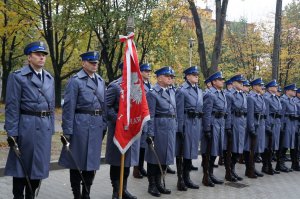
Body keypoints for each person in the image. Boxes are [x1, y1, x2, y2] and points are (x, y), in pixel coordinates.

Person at [5, 41, 55, 199]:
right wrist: (12, 133)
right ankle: (18, 196)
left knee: (38, 168)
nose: (42, 57)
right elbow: (12, 106)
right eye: (38, 54)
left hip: (44, 128)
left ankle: (31, 196)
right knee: (21, 167)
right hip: (26, 126)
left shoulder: (49, 78)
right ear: (29, 57)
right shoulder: (18, 76)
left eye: (44, 55)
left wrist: (51, 128)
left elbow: (52, 106)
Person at [58, 51, 106, 199]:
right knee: (76, 163)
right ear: (83, 63)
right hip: (80, 125)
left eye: (96, 62)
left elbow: (104, 106)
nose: (94, 65)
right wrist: (67, 130)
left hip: (97, 125)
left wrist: (104, 125)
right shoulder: (76, 80)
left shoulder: (100, 80)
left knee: (91, 163)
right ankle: (77, 195)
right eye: (91, 62)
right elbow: (68, 107)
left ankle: (87, 192)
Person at [105, 62, 137, 199]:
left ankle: (123, 190)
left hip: (131, 130)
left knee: (127, 162)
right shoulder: (115, 86)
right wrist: (119, 119)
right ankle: (116, 190)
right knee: (117, 161)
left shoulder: (136, 87)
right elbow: (106, 107)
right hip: (118, 130)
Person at [145, 66, 176, 197]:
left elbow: (175, 112)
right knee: (154, 158)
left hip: (170, 127)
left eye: (172, 77)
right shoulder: (152, 93)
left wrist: (177, 128)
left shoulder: (172, 92)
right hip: (159, 128)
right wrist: (150, 133)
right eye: (168, 76)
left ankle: (159, 183)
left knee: (165, 157)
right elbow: (150, 116)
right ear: (159, 78)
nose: (170, 78)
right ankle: (152, 185)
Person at [175, 66, 203, 191]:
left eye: (197, 74)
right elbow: (179, 112)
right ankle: (180, 179)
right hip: (186, 123)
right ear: (187, 76)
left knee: (190, 152)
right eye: (193, 74)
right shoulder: (182, 91)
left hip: (195, 124)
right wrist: (180, 128)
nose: (196, 76)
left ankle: (187, 178)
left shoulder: (199, 90)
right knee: (182, 152)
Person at [201, 71, 226, 187]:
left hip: (220, 124)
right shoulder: (210, 94)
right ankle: (206, 176)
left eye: (222, 79)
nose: (222, 81)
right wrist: (207, 129)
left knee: (216, 151)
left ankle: (211, 174)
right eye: (220, 79)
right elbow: (206, 113)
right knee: (209, 151)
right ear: (214, 82)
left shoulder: (221, 93)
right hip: (212, 124)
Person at [224, 74, 247, 182]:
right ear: (233, 83)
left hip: (241, 123)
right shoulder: (229, 95)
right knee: (231, 149)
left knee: (238, 149)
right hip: (233, 123)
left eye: (242, 82)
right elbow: (228, 112)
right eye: (239, 82)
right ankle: (228, 171)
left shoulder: (243, 94)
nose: (242, 84)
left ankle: (232, 170)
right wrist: (228, 126)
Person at [133, 63, 152, 179]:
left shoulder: (149, 85)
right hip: (140, 119)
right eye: (146, 71)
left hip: (147, 117)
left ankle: (141, 167)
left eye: (149, 71)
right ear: (140, 72)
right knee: (139, 145)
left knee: (144, 145)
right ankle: (136, 169)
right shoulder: (138, 84)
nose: (148, 73)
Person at [243, 78, 266, 179]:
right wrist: (251, 128)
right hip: (254, 125)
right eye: (260, 85)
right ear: (255, 86)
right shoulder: (250, 98)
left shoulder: (260, 97)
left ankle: (252, 167)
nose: (262, 87)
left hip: (260, 124)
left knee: (256, 147)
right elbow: (250, 115)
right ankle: (249, 168)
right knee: (250, 148)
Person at [262, 80, 281, 175]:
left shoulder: (276, 97)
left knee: (273, 146)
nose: (277, 87)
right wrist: (267, 126)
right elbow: (266, 113)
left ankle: (269, 165)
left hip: (276, 123)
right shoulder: (266, 97)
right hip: (270, 123)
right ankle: (266, 166)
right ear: (269, 88)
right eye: (275, 86)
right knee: (268, 146)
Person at [279, 84, 298, 172]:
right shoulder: (283, 100)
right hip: (286, 125)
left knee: (290, 144)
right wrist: (282, 127)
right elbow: (282, 115)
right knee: (284, 145)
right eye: (292, 90)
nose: (294, 92)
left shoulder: (292, 100)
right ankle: (280, 164)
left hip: (292, 125)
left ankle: (284, 164)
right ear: (287, 91)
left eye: (295, 90)